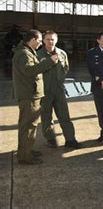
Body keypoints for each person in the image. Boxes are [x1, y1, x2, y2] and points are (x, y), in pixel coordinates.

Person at [12, 29, 58, 164]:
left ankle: (26, 150)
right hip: (29, 96)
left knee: (29, 126)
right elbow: (29, 71)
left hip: (30, 94)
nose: (40, 43)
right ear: (32, 40)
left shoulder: (26, 52)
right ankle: (25, 157)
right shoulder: (24, 54)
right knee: (28, 126)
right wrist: (49, 62)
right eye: (39, 41)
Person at [37, 30, 80, 149]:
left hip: (59, 89)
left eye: (52, 39)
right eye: (47, 39)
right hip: (44, 90)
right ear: (43, 41)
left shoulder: (62, 54)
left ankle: (70, 139)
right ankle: (50, 138)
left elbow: (65, 68)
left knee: (64, 115)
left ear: (56, 40)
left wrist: (58, 80)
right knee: (46, 116)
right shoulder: (38, 55)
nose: (50, 41)